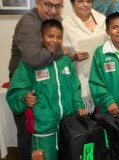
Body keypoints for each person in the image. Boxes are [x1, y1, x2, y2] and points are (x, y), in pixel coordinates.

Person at [6, 19, 86, 160]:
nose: (54, 41)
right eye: (50, 36)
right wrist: (24, 97)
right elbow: (14, 91)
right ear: (41, 37)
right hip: (43, 127)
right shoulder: (30, 62)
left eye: (59, 36)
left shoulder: (66, 60)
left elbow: (74, 87)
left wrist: (79, 105)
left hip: (67, 126)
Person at [8, 0, 64, 160]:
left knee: (50, 133)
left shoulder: (53, 20)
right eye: (48, 4)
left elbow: (50, 50)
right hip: (26, 84)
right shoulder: (28, 23)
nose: (53, 10)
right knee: (28, 134)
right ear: (36, 3)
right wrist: (63, 51)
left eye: (58, 6)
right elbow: (35, 59)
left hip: (45, 84)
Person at [62, 0, 107, 114]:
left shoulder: (102, 19)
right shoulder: (66, 24)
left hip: (102, 69)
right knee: (87, 114)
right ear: (72, 4)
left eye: (88, 1)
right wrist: (72, 56)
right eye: (80, 1)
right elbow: (63, 52)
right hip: (81, 70)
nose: (85, 4)